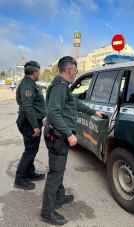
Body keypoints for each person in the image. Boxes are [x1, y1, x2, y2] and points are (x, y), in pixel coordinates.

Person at [41, 56, 104, 225]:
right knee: (56, 173)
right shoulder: (60, 87)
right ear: (69, 70)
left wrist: (93, 112)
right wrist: (69, 133)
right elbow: (54, 112)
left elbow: (74, 102)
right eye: (75, 70)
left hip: (57, 135)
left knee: (58, 169)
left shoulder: (63, 86)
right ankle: (47, 211)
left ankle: (59, 198)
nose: (76, 73)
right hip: (59, 136)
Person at [15, 61, 46, 190]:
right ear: (34, 72)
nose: (40, 73)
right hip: (29, 124)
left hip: (30, 121)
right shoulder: (28, 85)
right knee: (30, 151)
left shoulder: (29, 84)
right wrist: (35, 125)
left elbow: (20, 101)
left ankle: (30, 172)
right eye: (39, 71)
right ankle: (20, 178)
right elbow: (27, 106)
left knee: (32, 150)